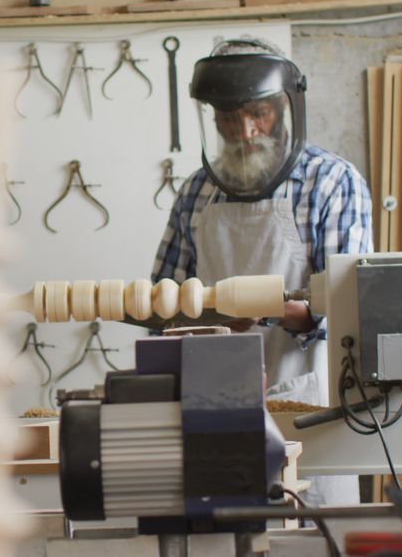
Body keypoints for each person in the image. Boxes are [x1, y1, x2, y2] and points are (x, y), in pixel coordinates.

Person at [152, 38, 373, 505]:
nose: (246, 130)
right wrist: (207, 319)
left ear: (284, 107)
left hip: (310, 407)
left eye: (259, 114)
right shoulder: (197, 194)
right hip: (216, 409)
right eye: (229, 118)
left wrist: (275, 310)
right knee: (222, 534)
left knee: (315, 537)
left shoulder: (331, 183)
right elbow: (162, 305)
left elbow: (350, 313)